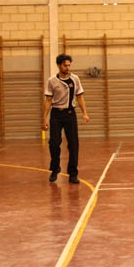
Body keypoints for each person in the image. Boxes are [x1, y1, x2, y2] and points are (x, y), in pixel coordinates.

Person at [42, 54, 90, 183]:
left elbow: (80, 97)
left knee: (73, 144)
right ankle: (55, 168)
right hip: (56, 115)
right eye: (65, 65)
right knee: (54, 143)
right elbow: (48, 100)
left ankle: (73, 173)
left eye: (69, 65)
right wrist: (44, 118)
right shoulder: (52, 81)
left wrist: (84, 113)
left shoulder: (75, 79)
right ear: (59, 65)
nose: (67, 68)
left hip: (70, 114)